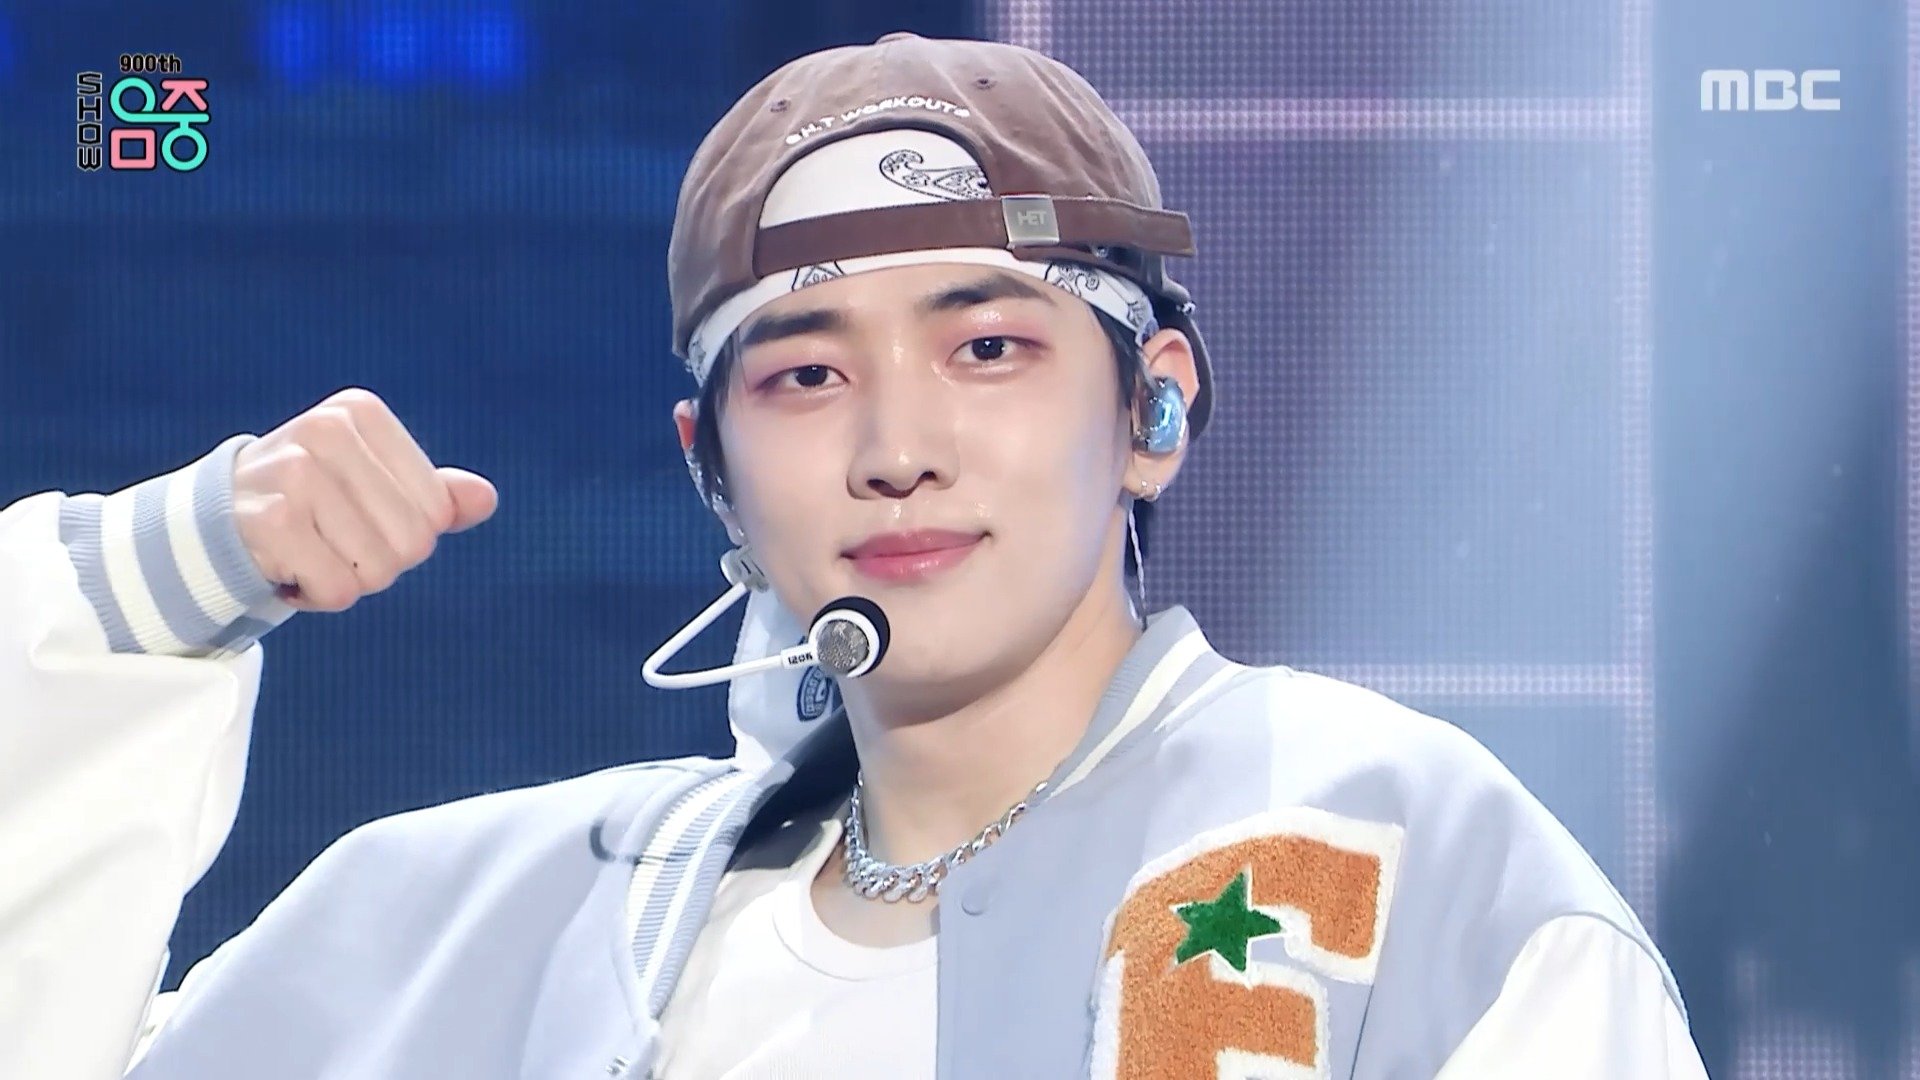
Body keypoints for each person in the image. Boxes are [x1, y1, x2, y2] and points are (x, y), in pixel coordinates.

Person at [0, 32, 1709, 1080]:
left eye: (989, 348)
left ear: (1156, 406)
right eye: (806, 376)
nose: (897, 444)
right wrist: (150, 579)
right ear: (713, 474)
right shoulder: (485, 920)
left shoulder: (1408, 861)